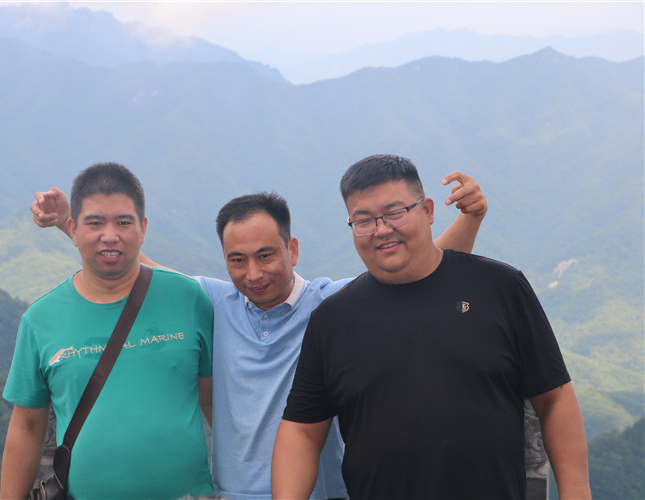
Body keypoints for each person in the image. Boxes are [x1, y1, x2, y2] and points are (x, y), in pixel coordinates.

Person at [29, 171, 487, 499]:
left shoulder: (331, 304)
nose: (253, 273)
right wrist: (70, 222)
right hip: (233, 492)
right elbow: (139, 267)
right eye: (237, 260)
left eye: (266, 256)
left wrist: (470, 218)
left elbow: (415, 269)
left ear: (293, 249)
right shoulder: (213, 303)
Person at [271, 154, 591, 500]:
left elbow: (554, 397)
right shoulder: (333, 319)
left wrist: (576, 492)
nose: (381, 229)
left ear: (427, 211)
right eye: (363, 220)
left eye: (395, 212)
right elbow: (302, 430)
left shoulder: (500, 287)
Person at [1, 163, 214, 499]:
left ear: (143, 229)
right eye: (95, 223)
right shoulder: (41, 319)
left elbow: (215, 403)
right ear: (72, 229)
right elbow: (27, 426)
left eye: (124, 222)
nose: (110, 235)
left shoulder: (188, 299)